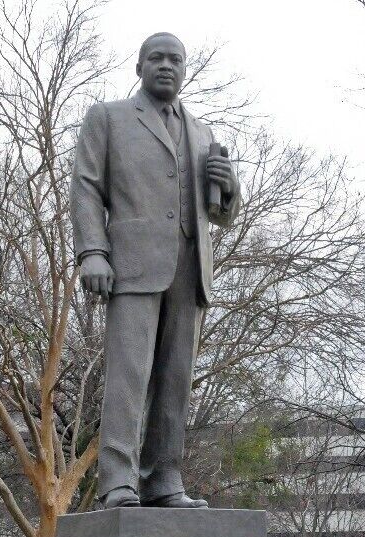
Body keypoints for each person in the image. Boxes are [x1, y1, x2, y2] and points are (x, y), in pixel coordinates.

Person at [71, 32, 241, 509]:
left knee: (175, 379)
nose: (167, 66)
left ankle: (164, 478)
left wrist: (228, 188)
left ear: (186, 70)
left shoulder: (203, 131)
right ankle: (118, 483)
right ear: (139, 66)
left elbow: (223, 215)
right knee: (128, 375)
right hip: (132, 266)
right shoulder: (108, 118)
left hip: (191, 269)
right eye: (157, 58)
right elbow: (85, 187)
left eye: (176, 60)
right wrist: (92, 252)